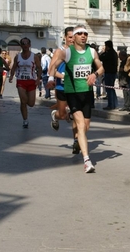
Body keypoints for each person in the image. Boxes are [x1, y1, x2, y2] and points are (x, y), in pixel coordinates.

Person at [47, 24, 104, 173]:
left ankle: (79, 142)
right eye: (79, 34)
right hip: (72, 93)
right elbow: (52, 66)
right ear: (74, 37)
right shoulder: (67, 52)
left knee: (85, 128)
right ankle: (87, 161)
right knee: (79, 124)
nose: (83, 36)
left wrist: (94, 75)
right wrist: (51, 78)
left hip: (87, 93)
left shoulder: (92, 52)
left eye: (85, 33)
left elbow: (101, 68)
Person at [9, 37, 42, 128]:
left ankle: (25, 103)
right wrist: (11, 76)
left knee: (31, 104)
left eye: (27, 43)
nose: (25, 45)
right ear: (21, 46)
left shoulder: (34, 56)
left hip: (31, 80)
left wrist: (38, 78)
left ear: (30, 45)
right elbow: (14, 67)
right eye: (23, 44)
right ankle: (25, 120)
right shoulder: (18, 56)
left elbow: (39, 68)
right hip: (21, 80)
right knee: (23, 101)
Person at [50, 27, 74, 132]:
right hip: (62, 87)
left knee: (77, 115)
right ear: (65, 37)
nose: (72, 39)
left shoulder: (79, 52)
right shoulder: (59, 52)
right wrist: (64, 77)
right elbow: (51, 70)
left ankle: (77, 142)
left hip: (76, 88)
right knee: (63, 115)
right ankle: (56, 115)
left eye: (74, 37)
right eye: (70, 37)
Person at [99, 40, 118, 110]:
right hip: (112, 72)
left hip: (109, 73)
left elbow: (100, 57)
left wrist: (103, 51)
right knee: (111, 89)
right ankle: (114, 104)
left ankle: (111, 105)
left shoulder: (109, 53)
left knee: (109, 90)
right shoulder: (114, 53)